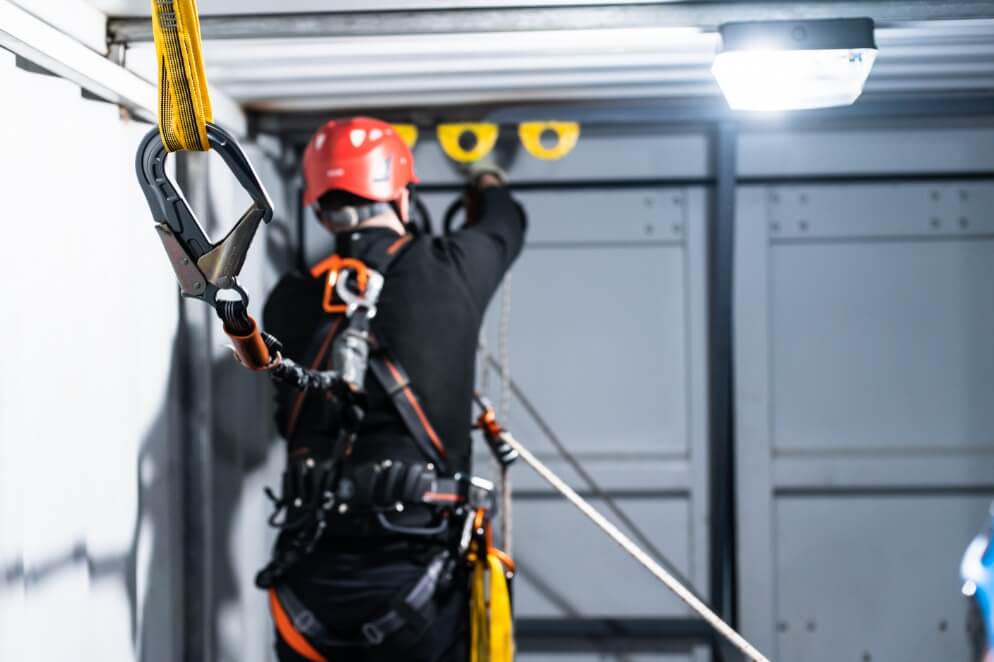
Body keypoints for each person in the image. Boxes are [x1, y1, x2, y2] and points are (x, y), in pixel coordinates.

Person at [259, 116, 526, 662]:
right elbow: (506, 223)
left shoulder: (288, 299)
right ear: (402, 195)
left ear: (320, 209)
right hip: (419, 576)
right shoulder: (452, 268)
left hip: (307, 583)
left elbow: (285, 417)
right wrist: (485, 177)